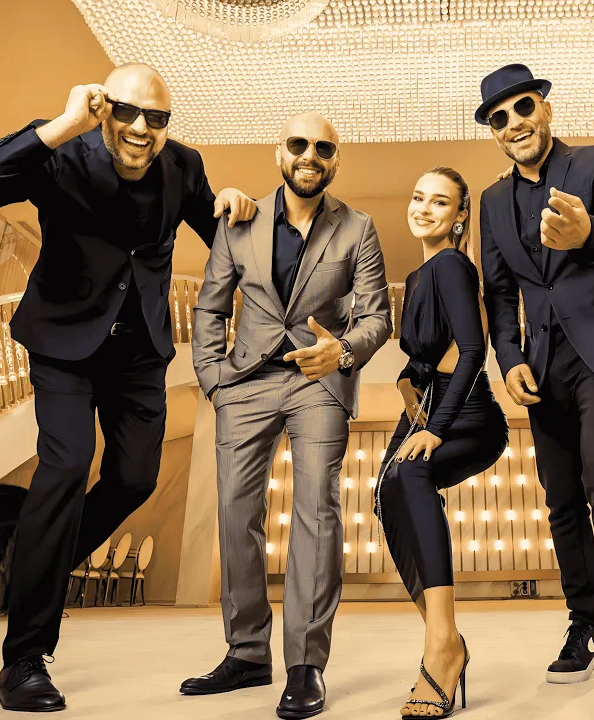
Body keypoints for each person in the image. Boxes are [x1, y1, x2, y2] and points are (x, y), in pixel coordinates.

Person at [0, 63, 257, 712]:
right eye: (127, 111)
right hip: (64, 344)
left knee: (135, 478)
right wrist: (61, 125)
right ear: (103, 108)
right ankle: (23, 661)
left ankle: (39, 560)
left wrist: (237, 212)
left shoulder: (184, 166)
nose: (141, 127)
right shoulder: (62, 150)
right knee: (65, 466)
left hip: (140, 352)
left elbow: (228, 243)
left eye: (157, 118)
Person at [184, 112, 392, 720]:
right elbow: (211, 306)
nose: (310, 155)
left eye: (324, 148)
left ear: (335, 160)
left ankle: (305, 664)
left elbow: (376, 317)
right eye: (299, 144)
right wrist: (214, 380)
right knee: (234, 512)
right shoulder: (239, 219)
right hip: (244, 382)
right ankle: (247, 652)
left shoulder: (358, 227)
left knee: (316, 512)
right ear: (280, 153)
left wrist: (343, 351)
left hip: (317, 380)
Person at [476, 64, 594, 720]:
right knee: (560, 498)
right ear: (493, 132)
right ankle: (586, 622)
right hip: (542, 363)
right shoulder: (491, 202)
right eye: (499, 118)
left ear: (546, 109)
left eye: (523, 108)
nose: (514, 124)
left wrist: (586, 233)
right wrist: (508, 358)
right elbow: (499, 292)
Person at [375, 167, 509, 718]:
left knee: (409, 474)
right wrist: (408, 392)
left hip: (470, 416)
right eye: (418, 197)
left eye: (439, 202)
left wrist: (435, 428)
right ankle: (445, 637)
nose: (423, 209)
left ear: (459, 217)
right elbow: (422, 360)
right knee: (386, 491)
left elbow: (473, 352)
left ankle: (441, 647)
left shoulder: (451, 265)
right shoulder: (417, 274)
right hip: (430, 405)